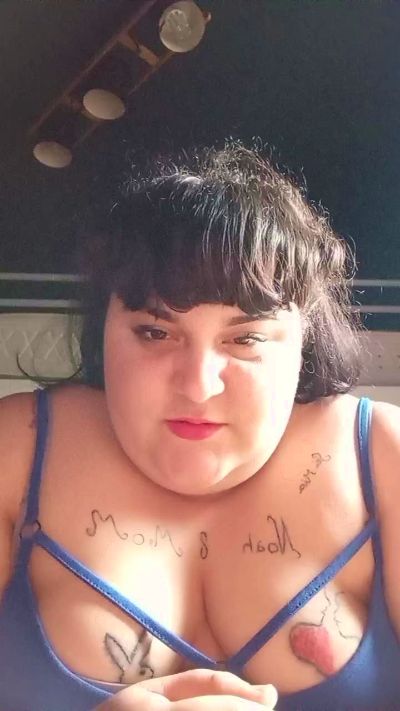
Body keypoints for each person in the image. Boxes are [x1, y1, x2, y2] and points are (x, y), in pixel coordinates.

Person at [0, 141, 399, 711]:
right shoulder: (16, 449)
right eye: (155, 332)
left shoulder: (383, 457)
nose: (198, 385)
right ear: (104, 327)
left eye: (246, 338)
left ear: (303, 341)